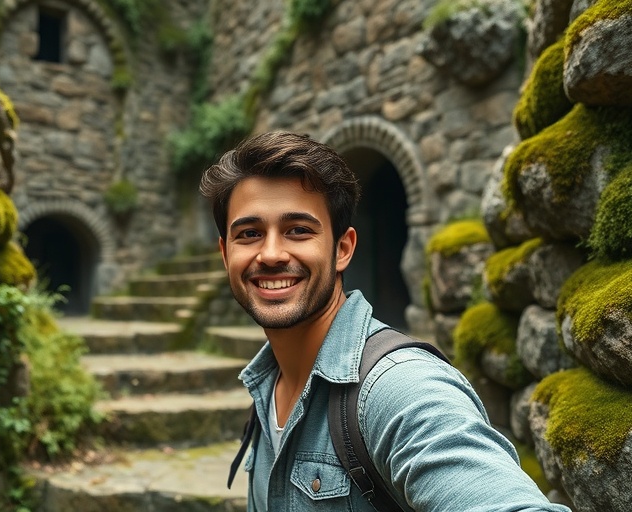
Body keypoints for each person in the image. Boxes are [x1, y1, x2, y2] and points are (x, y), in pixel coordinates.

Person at [199, 131, 571, 511]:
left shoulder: (401, 388)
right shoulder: (270, 383)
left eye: (298, 230)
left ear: (342, 249)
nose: (272, 253)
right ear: (226, 254)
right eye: (249, 234)